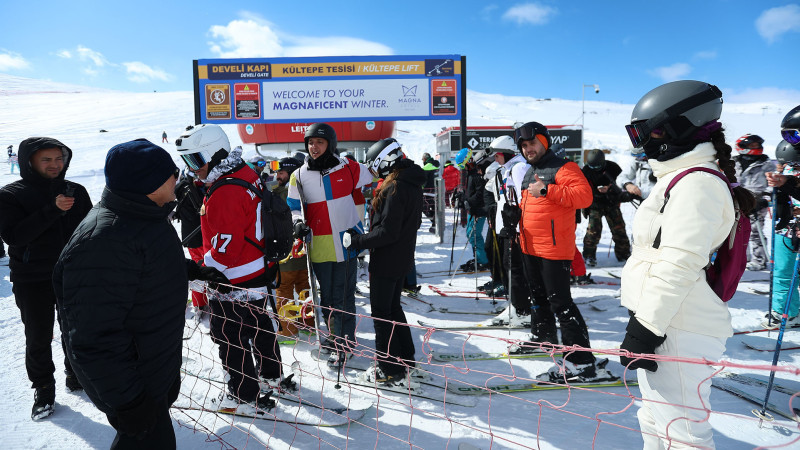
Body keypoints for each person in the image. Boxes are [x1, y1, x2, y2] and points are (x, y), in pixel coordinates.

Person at [53, 139, 226, 448]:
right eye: (171, 173)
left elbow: (143, 264)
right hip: (133, 387)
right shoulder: (104, 240)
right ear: (148, 181)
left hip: (150, 370)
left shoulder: (141, 216)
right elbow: (93, 338)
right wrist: (130, 403)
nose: (178, 178)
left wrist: (191, 270)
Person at [619, 80, 754, 449]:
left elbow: (678, 262)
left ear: (678, 128)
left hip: (677, 325)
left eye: (647, 133)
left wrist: (647, 326)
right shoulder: (677, 179)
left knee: (683, 433)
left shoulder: (697, 186)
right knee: (654, 421)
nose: (642, 145)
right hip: (666, 320)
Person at [177, 124, 292, 406]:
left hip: (232, 276)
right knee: (259, 323)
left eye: (196, 160)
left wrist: (204, 271)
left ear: (214, 154)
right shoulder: (244, 172)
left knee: (229, 334)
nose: (193, 169)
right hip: (256, 267)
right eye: (187, 161)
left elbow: (225, 249)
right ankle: (270, 374)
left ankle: (242, 394)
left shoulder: (225, 190)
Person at [504, 122, 612, 384]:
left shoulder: (565, 167)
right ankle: (545, 338)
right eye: (524, 145)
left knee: (561, 303)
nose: (528, 149)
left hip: (553, 249)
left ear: (545, 142)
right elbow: (536, 203)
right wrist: (514, 215)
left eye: (533, 143)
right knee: (538, 298)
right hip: (530, 246)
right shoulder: (533, 170)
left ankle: (582, 361)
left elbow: (584, 197)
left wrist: (547, 190)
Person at [0, 137, 92, 420]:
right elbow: (14, 236)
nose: (55, 165)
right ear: (29, 162)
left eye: (59, 158)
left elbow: (90, 230)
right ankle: (43, 389)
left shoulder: (75, 190)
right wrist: (52, 209)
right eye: (46, 160)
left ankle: (75, 374)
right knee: (38, 336)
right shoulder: (11, 194)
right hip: (32, 278)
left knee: (76, 330)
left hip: (72, 275)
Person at [286, 123, 373, 366]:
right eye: (310, 143)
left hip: (347, 240)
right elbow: (294, 208)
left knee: (344, 294)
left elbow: (377, 170)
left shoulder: (350, 167)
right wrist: (298, 224)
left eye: (320, 142)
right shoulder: (299, 175)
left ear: (330, 145)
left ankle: (346, 340)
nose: (314, 147)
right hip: (320, 244)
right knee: (327, 297)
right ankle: (335, 338)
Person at [343, 138, 424, 387]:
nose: (375, 171)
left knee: (381, 313)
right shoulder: (409, 181)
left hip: (388, 258)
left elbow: (386, 232)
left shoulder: (395, 187)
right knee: (392, 309)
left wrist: (356, 240)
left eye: (375, 166)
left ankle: (388, 368)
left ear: (386, 161)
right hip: (401, 257)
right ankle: (405, 360)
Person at [764, 106, 800, 328]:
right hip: (787, 230)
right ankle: (786, 312)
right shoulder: (786, 172)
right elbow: (783, 201)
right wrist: (778, 189)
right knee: (782, 272)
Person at [271, 156, 314, 336]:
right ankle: (309, 325)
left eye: (281, 172)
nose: (277, 176)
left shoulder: (280, 194)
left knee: (284, 291)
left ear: (290, 173)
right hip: (304, 252)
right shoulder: (307, 191)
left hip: (287, 253)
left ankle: (288, 332)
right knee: (305, 288)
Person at [581, 149, 632, 266]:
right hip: (594, 205)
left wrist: (609, 189)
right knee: (593, 232)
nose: (594, 169)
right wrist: (595, 191)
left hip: (611, 203)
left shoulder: (613, 168)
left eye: (597, 166)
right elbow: (582, 190)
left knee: (619, 230)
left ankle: (624, 254)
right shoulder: (585, 171)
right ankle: (589, 256)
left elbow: (622, 186)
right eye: (592, 166)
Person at [733, 134, 776, 271]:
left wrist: (764, 200)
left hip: (757, 201)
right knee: (735, 231)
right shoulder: (733, 162)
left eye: (757, 145)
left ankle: (759, 260)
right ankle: (740, 259)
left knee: (754, 231)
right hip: (736, 200)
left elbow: (773, 185)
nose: (756, 148)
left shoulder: (766, 164)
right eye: (752, 146)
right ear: (742, 147)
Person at [173, 166, 209, 320]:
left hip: (192, 236)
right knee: (204, 269)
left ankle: (199, 303)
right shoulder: (191, 189)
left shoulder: (181, 188)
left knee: (198, 269)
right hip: (200, 236)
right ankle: (202, 303)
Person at [421, 152, 440, 232]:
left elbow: (423, 180)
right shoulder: (436, 165)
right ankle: (436, 223)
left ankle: (434, 222)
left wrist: (420, 188)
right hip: (437, 189)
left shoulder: (426, 167)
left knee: (423, 207)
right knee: (435, 207)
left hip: (427, 191)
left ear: (425, 159)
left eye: (422, 159)